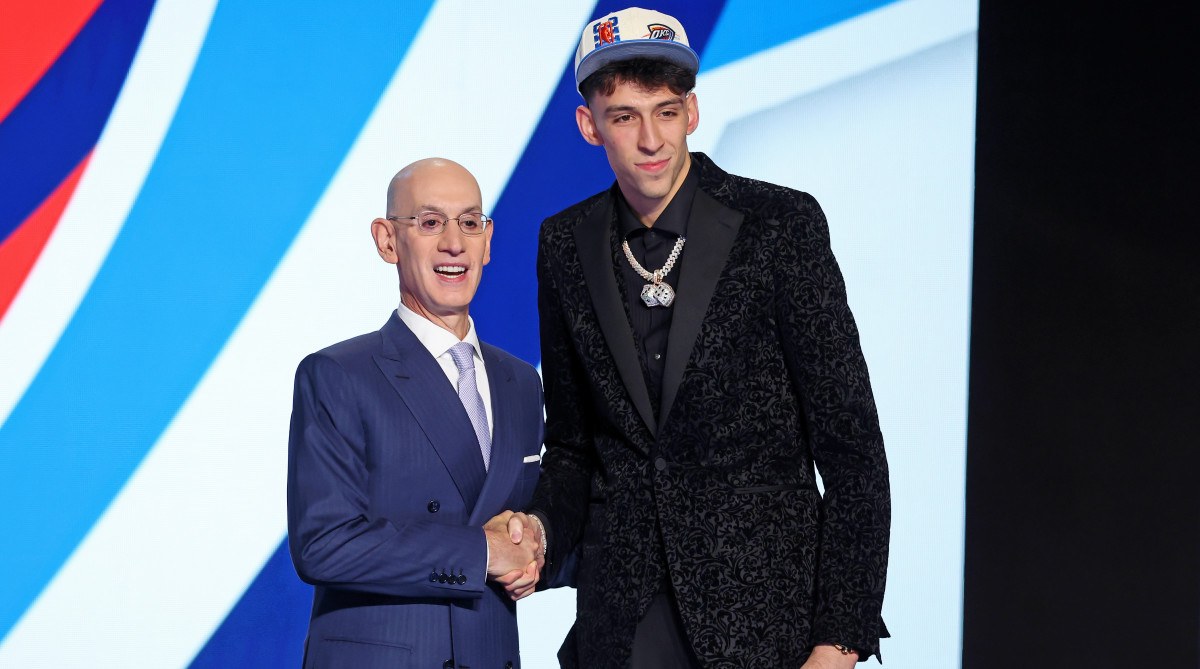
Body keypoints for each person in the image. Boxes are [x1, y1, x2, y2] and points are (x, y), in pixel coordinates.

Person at [515, 7, 892, 668]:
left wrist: (840, 641)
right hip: (622, 624)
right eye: (625, 116)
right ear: (589, 125)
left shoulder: (779, 224)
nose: (651, 138)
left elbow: (852, 448)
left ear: (691, 111)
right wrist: (539, 531)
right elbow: (572, 444)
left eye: (665, 110)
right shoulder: (564, 244)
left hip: (765, 626)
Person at [287, 158, 545, 669]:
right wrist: (482, 553)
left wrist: (537, 537)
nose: (454, 242)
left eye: (470, 223)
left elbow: (527, 518)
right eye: (430, 223)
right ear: (387, 241)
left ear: (488, 240)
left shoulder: (520, 382)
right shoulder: (338, 374)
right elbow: (323, 544)